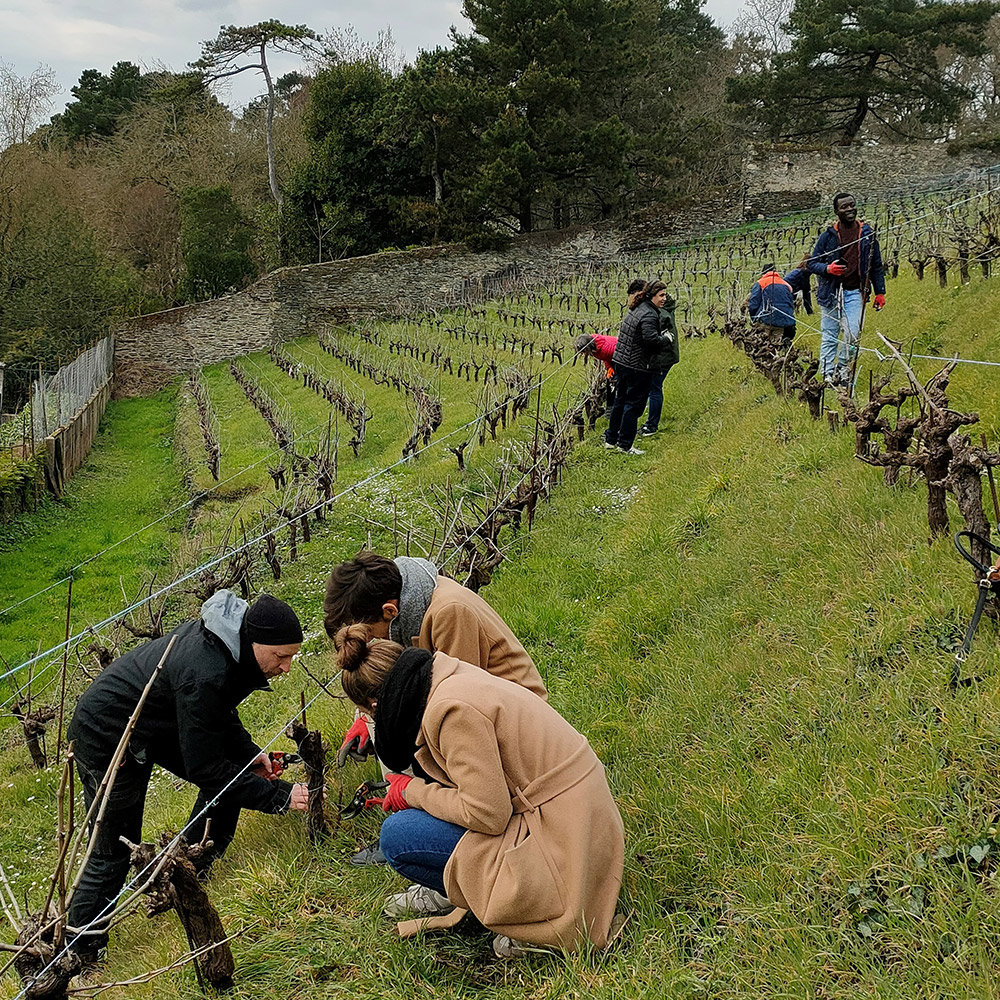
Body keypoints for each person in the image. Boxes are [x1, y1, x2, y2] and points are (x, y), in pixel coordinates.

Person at [334, 626, 625, 958]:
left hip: (564, 839)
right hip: (579, 814)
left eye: (369, 714)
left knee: (398, 837)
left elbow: (487, 813)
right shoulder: (444, 676)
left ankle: (531, 921)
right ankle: (481, 891)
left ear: (375, 704)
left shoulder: (451, 712)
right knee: (421, 822)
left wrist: (412, 792)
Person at [65, 591, 310, 967]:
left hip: (154, 720)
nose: (287, 667)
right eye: (281, 656)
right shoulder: (206, 669)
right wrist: (277, 795)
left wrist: (249, 753)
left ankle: (193, 868)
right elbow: (206, 767)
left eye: (291, 656)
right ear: (256, 641)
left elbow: (218, 714)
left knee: (232, 769)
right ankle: (80, 953)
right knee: (112, 846)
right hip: (107, 732)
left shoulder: (234, 650)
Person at [323, 552, 547, 865]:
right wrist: (365, 718)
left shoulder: (448, 614)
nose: (371, 645)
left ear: (390, 611)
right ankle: (429, 823)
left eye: (371, 637)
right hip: (476, 715)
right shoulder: (407, 605)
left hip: (516, 728)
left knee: (406, 743)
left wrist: (409, 779)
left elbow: (458, 704)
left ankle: (450, 840)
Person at [808, 192, 886, 386]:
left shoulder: (867, 234)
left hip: (855, 292)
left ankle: (842, 368)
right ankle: (827, 373)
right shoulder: (828, 236)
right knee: (830, 334)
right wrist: (828, 269)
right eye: (844, 207)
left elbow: (875, 264)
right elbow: (811, 263)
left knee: (853, 334)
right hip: (831, 293)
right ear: (836, 211)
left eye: (852, 205)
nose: (849, 209)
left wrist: (880, 292)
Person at [604, 280, 674, 455]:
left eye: (665, 294)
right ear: (651, 296)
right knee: (633, 405)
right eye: (661, 295)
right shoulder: (650, 315)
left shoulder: (637, 308)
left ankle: (610, 439)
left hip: (621, 361)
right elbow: (651, 340)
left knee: (620, 400)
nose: (664, 299)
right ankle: (625, 445)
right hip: (636, 365)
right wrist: (666, 339)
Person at [640, 289, 680, 437]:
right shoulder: (664, 308)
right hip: (666, 355)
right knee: (653, 388)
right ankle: (650, 422)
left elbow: (653, 338)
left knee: (655, 388)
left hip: (662, 357)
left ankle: (651, 426)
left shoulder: (660, 315)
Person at [747, 263, 797, 351]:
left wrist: (754, 318)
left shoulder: (760, 283)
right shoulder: (786, 284)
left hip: (765, 319)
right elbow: (790, 304)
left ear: (763, 273)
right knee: (776, 344)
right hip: (782, 321)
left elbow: (753, 304)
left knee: (762, 345)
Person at [573, 332, 618, 413]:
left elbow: (617, 357)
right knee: (610, 383)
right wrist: (609, 368)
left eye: (584, 352)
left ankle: (615, 409)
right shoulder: (595, 346)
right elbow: (606, 357)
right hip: (614, 359)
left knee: (615, 384)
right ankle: (610, 409)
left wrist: (618, 372)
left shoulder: (606, 348)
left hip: (622, 359)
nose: (583, 354)